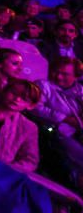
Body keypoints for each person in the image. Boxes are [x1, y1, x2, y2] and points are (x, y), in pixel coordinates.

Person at [33, 56, 83, 189]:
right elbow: (36, 108)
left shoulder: (80, 90)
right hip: (57, 133)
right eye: (55, 71)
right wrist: (66, 119)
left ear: (76, 76)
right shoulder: (43, 85)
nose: (58, 77)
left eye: (65, 74)